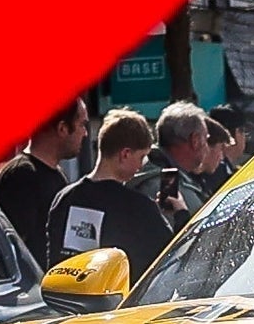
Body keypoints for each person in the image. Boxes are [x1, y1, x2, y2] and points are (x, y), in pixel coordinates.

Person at [50, 109, 177, 273]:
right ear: (125, 154)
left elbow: (53, 264)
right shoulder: (138, 207)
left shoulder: (63, 198)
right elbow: (171, 259)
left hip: (67, 296)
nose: (141, 166)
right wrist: (180, 214)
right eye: (141, 157)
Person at [0, 96, 90, 264]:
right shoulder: (22, 176)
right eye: (82, 125)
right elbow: (13, 248)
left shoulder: (55, 174)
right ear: (62, 128)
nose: (85, 133)